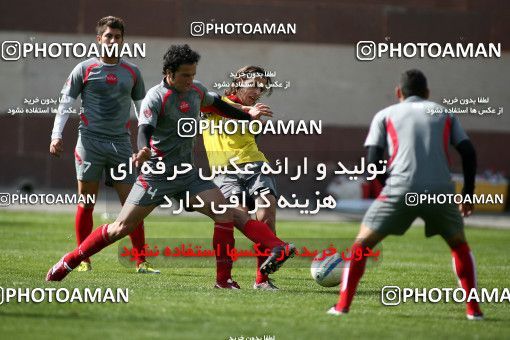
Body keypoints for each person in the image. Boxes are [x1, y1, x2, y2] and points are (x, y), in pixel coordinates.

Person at [46, 44, 296, 288]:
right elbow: (145, 129)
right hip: (157, 176)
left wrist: (246, 114)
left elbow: (218, 104)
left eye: (193, 74)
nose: (190, 80)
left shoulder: (196, 91)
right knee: (120, 228)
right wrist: (143, 148)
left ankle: (232, 276)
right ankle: (69, 261)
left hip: (187, 176)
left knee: (228, 213)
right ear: (169, 73)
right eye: (185, 75)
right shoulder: (155, 97)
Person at [326, 69, 482, 320]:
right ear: (428, 93)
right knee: (459, 246)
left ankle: (342, 306)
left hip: (400, 190)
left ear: (398, 92)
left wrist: (390, 186)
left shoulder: (385, 115)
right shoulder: (445, 113)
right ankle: (474, 311)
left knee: (361, 245)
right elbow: (469, 152)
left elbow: (373, 161)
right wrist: (469, 193)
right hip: (440, 192)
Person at [49, 16, 158, 273]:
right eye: (108, 36)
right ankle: (83, 259)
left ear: (122, 41)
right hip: (89, 143)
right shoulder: (84, 68)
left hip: (120, 145)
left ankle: (141, 260)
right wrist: (56, 136)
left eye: (117, 37)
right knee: (86, 202)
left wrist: (147, 143)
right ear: (99, 39)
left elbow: (142, 110)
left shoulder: (132, 71)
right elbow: (65, 104)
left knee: (132, 205)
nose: (112, 40)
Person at [201, 65, 283, 290]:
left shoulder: (254, 111)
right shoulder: (212, 102)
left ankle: (263, 279)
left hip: (255, 164)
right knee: (234, 216)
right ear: (239, 80)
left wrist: (252, 117)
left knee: (267, 213)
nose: (257, 92)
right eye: (254, 85)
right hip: (224, 170)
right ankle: (225, 279)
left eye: (262, 89)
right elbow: (222, 108)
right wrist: (247, 113)